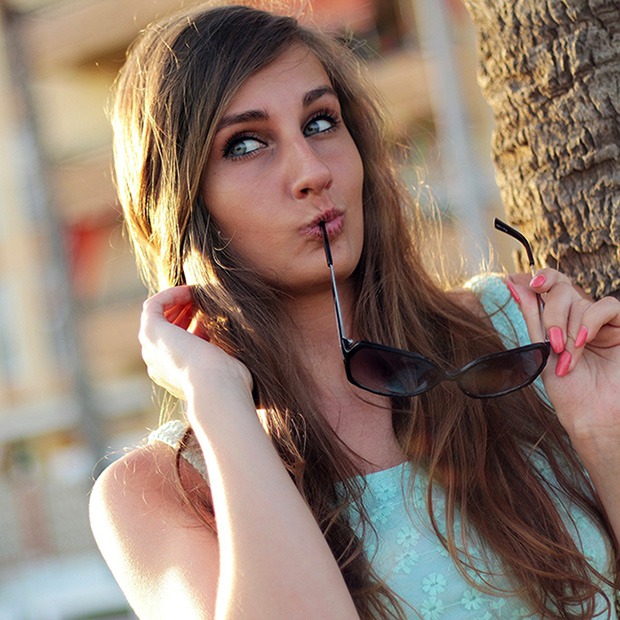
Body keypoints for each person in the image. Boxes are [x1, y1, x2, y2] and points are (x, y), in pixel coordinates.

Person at [89, 2, 620, 618]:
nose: (312, 172)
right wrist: (216, 398)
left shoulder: (517, 337)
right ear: (184, 200)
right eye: (246, 144)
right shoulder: (162, 494)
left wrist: (601, 429)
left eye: (319, 123)